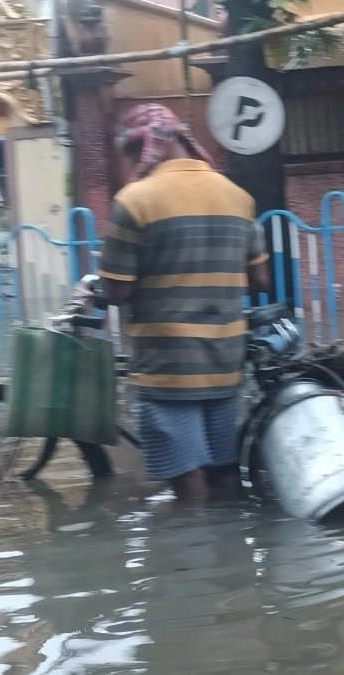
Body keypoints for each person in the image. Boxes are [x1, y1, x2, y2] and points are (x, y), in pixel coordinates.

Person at [99, 103, 271, 504]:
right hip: (226, 359)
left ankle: (197, 556)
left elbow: (116, 291)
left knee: (186, 474)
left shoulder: (135, 201)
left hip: (167, 365)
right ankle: (234, 549)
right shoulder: (238, 197)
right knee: (223, 468)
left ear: (140, 147)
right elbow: (261, 279)